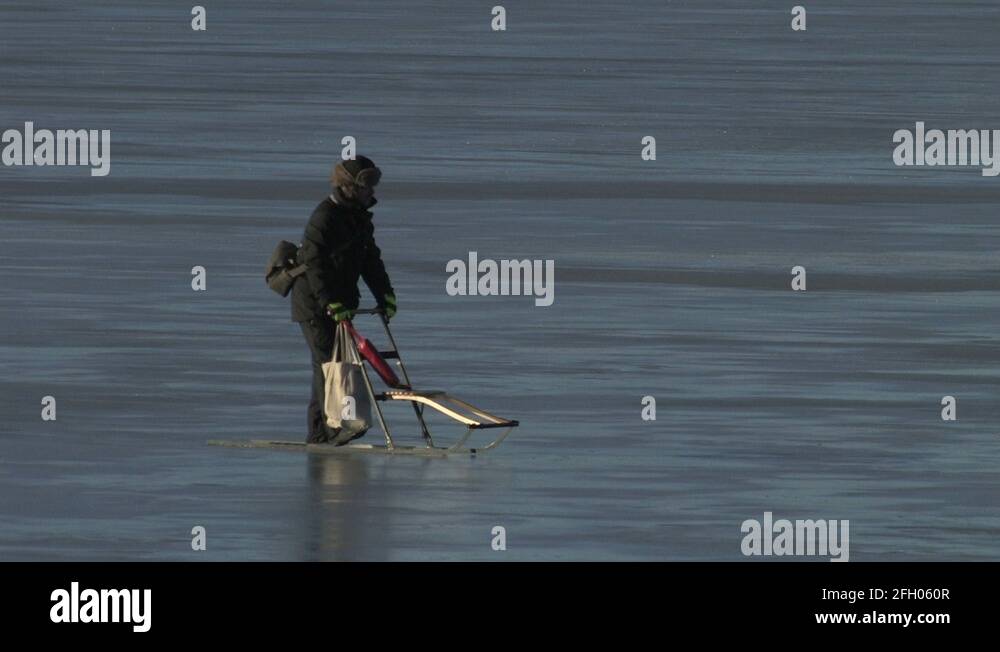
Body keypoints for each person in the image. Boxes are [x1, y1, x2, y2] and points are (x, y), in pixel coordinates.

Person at [291, 156, 397, 443]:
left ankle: (320, 433)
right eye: (366, 186)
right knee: (327, 364)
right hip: (314, 304)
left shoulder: (359, 218)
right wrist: (329, 301)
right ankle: (328, 430)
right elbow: (314, 264)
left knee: (331, 364)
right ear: (349, 187)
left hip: (340, 304)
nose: (372, 192)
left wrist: (385, 295)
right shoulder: (325, 216)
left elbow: (370, 261)